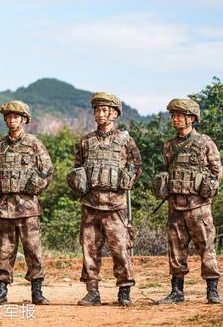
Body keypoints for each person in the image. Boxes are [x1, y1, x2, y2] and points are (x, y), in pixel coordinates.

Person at [67, 92, 142, 306]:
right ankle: (92, 292)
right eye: (97, 110)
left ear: (114, 113)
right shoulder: (86, 141)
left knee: (120, 249)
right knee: (89, 249)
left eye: (104, 110)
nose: (99, 114)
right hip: (90, 205)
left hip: (115, 205)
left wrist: (127, 180)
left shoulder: (125, 140)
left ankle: (124, 291)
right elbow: (77, 167)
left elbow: (137, 166)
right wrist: (78, 181)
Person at [0, 101, 53, 305]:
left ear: (24, 119)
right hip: (4, 208)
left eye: (16, 117)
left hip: (28, 207)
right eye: (9, 117)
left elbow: (48, 171)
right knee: (4, 250)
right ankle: (1, 291)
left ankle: (37, 292)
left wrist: (38, 185)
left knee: (33, 249)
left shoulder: (34, 144)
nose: (12, 120)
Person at [154, 99, 222, 304]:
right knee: (175, 250)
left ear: (191, 118)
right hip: (175, 206)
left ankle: (212, 290)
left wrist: (208, 187)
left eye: (179, 115)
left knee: (206, 247)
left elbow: (217, 171)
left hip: (198, 206)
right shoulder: (169, 145)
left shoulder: (205, 143)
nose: (175, 119)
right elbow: (169, 170)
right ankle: (177, 291)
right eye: (173, 115)